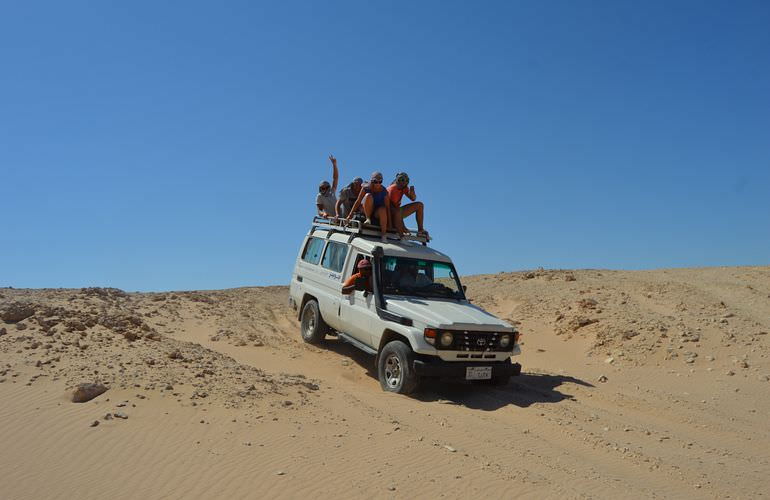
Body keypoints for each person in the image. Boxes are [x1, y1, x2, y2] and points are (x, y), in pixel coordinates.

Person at [346, 171, 391, 241]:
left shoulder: (384, 191)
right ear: (372, 181)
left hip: (377, 213)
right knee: (368, 196)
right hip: (366, 210)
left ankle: (383, 235)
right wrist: (350, 215)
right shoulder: (366, 188)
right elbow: (358, 201)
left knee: (383, 209)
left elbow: (388, 207)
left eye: (380, 181)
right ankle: (368, 218)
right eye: (376, 181)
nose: (378, 184)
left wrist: (390, 223)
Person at [387, 172, 428, 237]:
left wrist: (412, 192)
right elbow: (391, 208)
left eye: (405, 181)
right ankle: (401, 229)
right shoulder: (392, 189)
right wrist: (402, 225)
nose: (403, 183)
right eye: (401, 180)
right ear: (397, 180)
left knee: (420, 205)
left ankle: (420, 230)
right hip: (390, 213)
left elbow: (413, 198)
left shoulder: (404, 188)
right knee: (397, 211)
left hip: (397, 211)